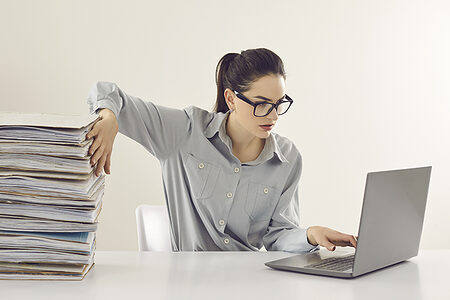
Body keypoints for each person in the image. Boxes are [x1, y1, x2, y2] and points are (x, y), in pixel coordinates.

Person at [86, 48, 357, 252]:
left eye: (278, 103)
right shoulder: (184, 131)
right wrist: (109, 118)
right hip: (187, 284)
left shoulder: (287, 159)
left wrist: (310, 234)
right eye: (262, 104)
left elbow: (277, 236)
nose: (273, 116)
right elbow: (106, 91)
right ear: (231, 99)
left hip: (249, 283)